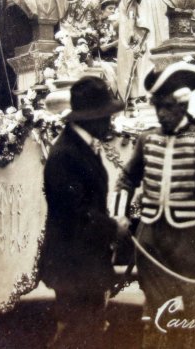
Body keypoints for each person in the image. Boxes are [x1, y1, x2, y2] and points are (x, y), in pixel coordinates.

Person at [114, 62, 195, 348]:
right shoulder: (147, 139)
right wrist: (120, 215)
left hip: (193, 242)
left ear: (182, 107)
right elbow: (127, 178)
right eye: (158, 107)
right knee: (158, 313)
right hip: (151, 240)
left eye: (167, 107)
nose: (162, 114)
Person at [38, 76, 127, 349]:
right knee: (78, 334)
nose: (110, 122)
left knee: (85, 332)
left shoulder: (80, 147)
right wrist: (115, 228)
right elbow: (76, 215)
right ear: (90, 118)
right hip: (73, 266)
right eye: (105, 116)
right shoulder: (65, 154)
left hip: (83, 263)